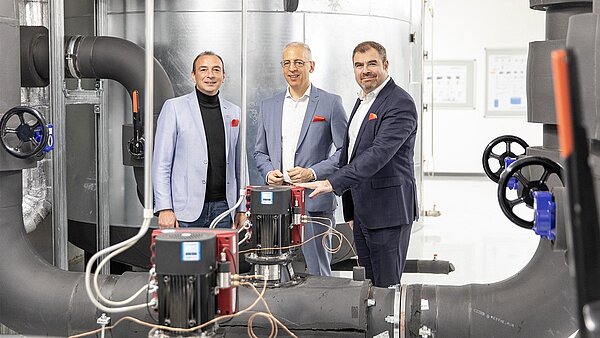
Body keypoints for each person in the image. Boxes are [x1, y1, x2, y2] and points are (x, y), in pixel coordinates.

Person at [299, 41, 418, 287]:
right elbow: (350, 153)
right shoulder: (363, 100)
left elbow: (377, 154)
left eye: (372, 64)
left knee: (386, 288)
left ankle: (389, 327)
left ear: (385, 65)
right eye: (359, 65)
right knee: (369, 288)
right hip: (363, 213)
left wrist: (333, 182)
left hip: (388, 214)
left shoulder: (399, 103)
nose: (365, 70)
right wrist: (351, 209)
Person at [254, 42, 348, 276]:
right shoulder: (269, 106)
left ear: (311, 66)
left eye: (299, 62)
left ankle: (322, 313)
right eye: (287, 63)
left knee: (319, 274)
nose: (292, 68)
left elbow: (344, 153)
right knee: (276, 271)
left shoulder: (330, 103)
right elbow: (259, 152)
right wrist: (268, 173)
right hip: (276, 204)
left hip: (315, 204)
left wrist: (312, 172)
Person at [153, 51, 246, 229]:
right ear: (193, 75)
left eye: (216, 70)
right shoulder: (174, 108)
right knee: (188, 258)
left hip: (225, 209)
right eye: (203, 70)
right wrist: (165, 208)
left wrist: (241, 208)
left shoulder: (234, 112)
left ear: (223, 76)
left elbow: (240, 166)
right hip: (185, 211)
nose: (210, 75)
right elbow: (161, 164)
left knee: (222, 258)